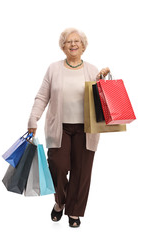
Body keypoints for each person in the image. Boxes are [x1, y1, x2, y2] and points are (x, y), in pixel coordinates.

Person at [28, 28, 110, 228]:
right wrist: (33, 119)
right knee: (57, 166)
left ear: (83, 46)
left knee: (81, 172)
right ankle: (60, 202)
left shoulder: (91, 69)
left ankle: (74, 212)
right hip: (60, 128)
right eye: (68, 42)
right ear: (62, 46)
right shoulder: (54, 69)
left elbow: (101, 99)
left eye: (77, 41)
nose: (73, 44)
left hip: (86, 129)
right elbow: (42, 96)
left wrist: (102, 80)